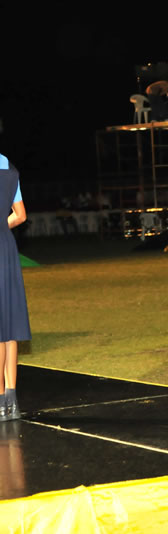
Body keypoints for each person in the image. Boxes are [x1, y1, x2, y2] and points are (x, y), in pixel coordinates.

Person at [1, 154, 30, 422]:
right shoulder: (9, 166)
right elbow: (20, 215)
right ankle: (11, 401)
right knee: (9, 326)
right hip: (7, 248)